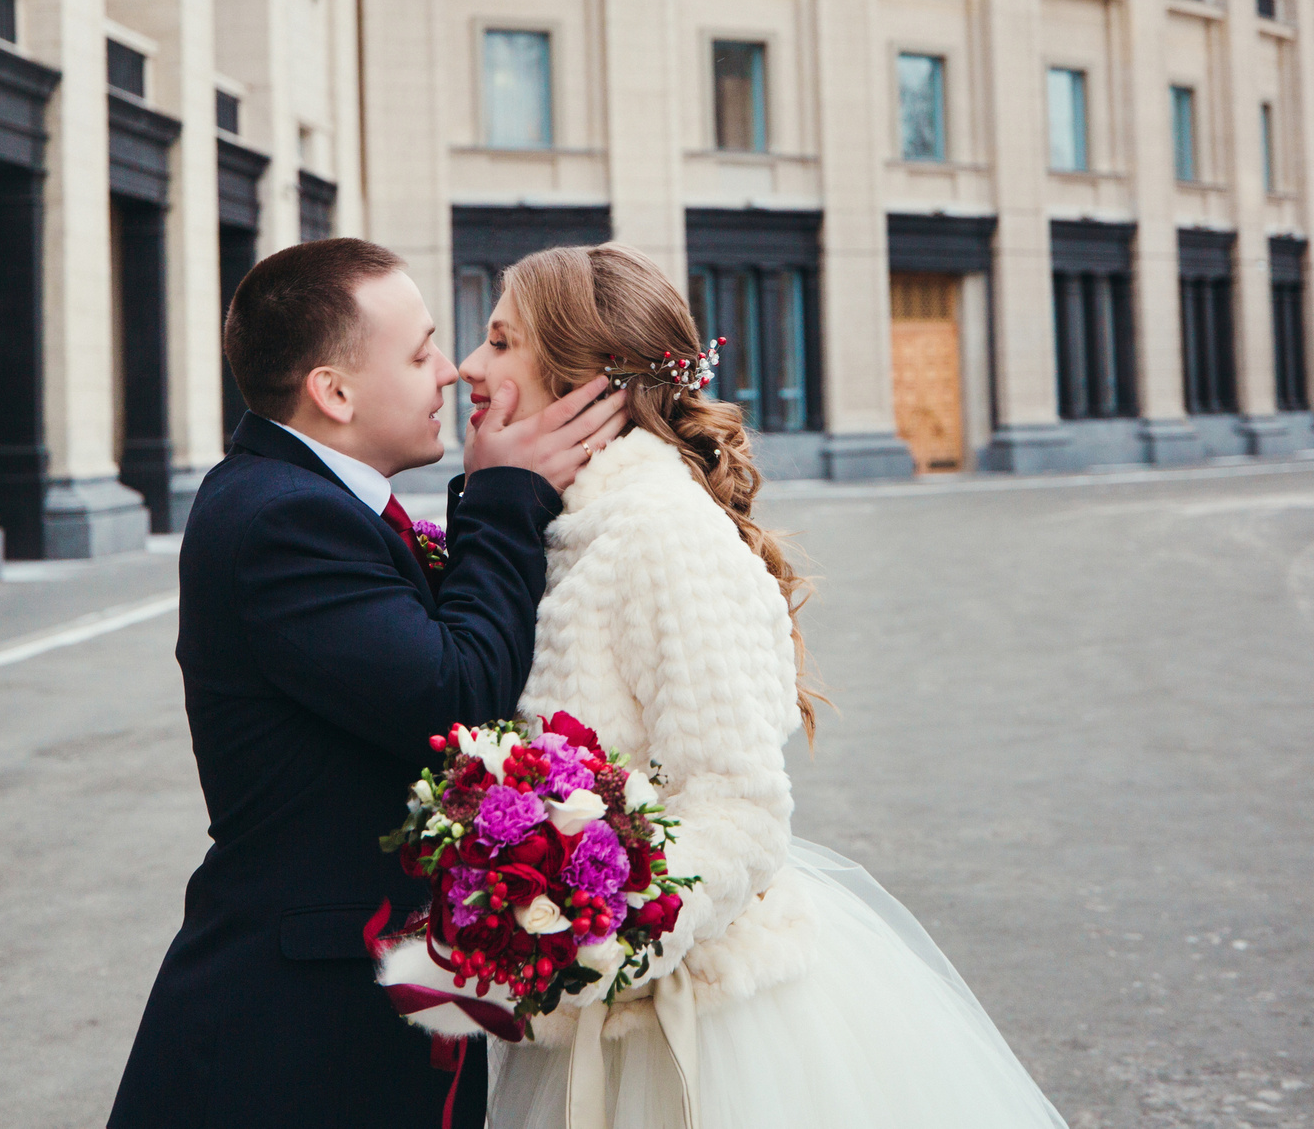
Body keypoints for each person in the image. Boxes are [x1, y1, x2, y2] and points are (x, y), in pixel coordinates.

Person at [455, 243, 1072, 1129]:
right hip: (578, 1021)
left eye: (500, 341)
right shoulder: (566, 523)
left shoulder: (664, 532)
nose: (469, 368)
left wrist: (598, 937)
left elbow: (739, 807)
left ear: (589, 380)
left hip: (689, 1024)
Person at [105, 238, 626, 1129]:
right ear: (334, 392)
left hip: (370, 998)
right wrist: (501, 492)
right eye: (421, 350)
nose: (453, 371)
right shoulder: (279, 517)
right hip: (294, 1039)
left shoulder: (313, 501)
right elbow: (456, 698)